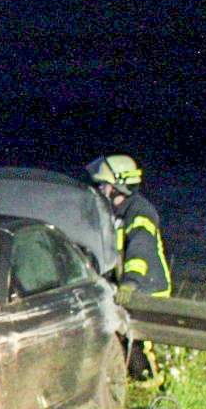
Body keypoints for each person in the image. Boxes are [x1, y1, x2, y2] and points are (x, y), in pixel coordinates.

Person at [87, 153, 171, 380]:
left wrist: (130, 282)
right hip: (126, 287)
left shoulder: (140, 211)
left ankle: (149, 382)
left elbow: (140, 248)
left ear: (118, 187)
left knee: (139, 341)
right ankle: (133, 379)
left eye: (104, 184)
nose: (100, 189)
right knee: (122, 337)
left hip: (147, 288)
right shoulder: (112, 212)